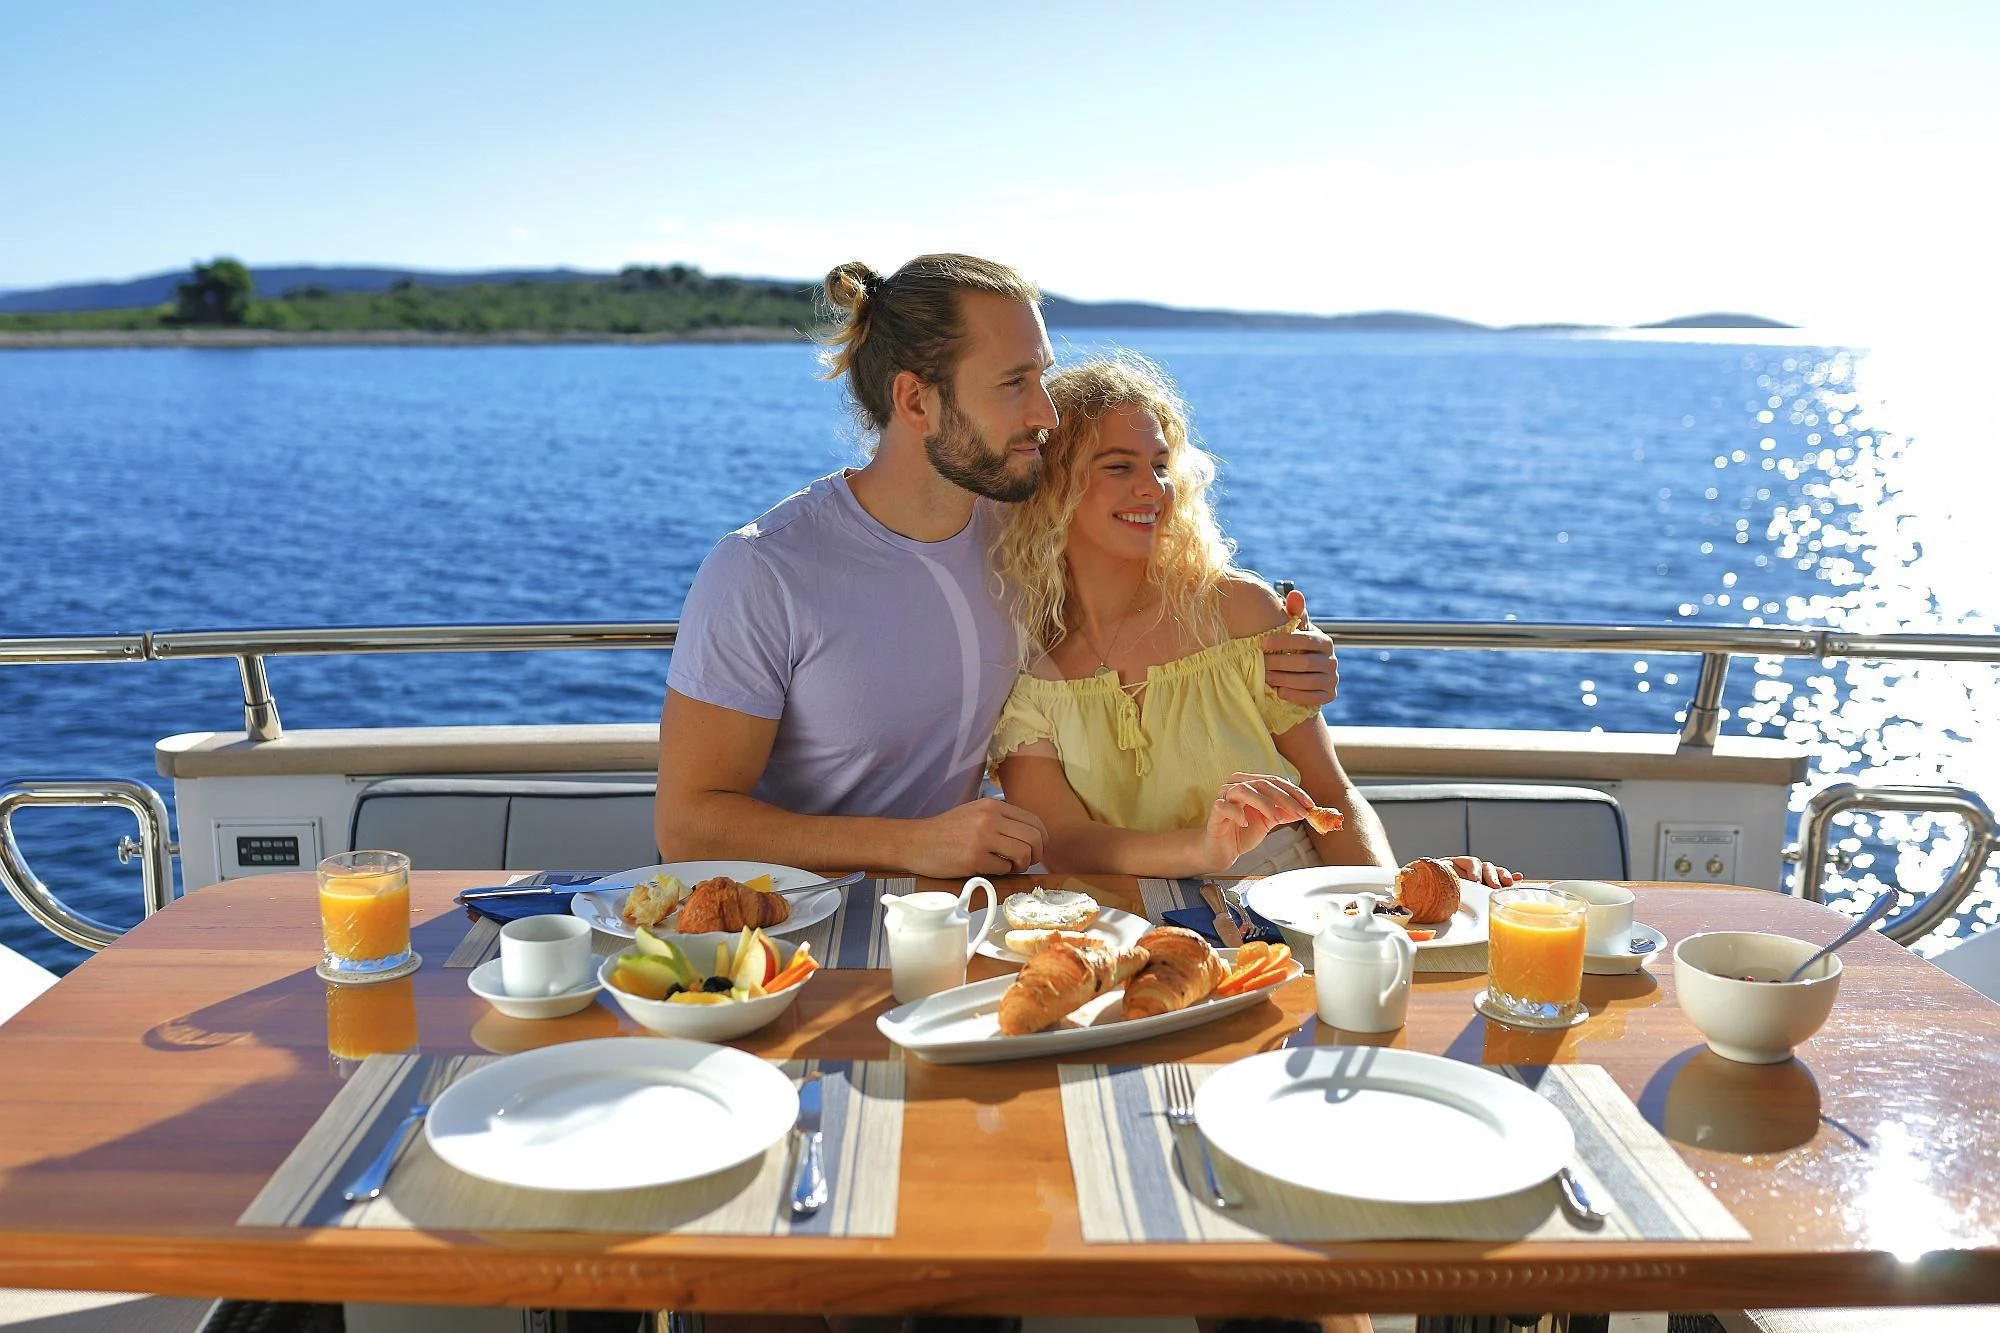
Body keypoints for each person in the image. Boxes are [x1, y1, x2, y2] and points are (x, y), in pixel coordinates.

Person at [653, 255, 1343, 876]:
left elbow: (1170, 570)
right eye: (1015, 383)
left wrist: (1296, 646)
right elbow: (686, 828)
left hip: (961, 910)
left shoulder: (1026, 530)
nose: (1046, 413)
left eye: (1041, 376)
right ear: (916, 400)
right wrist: (909, 844)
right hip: (788, 918)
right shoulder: (763, 569)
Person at [990, 354, 1521, 889]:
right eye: (1118, 466)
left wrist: (1386, 908)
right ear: (1054, 487)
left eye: (1158, 464)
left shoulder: (1239, 613)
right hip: (1131, 920)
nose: (1153, 488)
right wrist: (1203, 848)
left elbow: (1332, 796)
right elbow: (1065, 841)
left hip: (1289, 895)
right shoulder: (1025, 662)